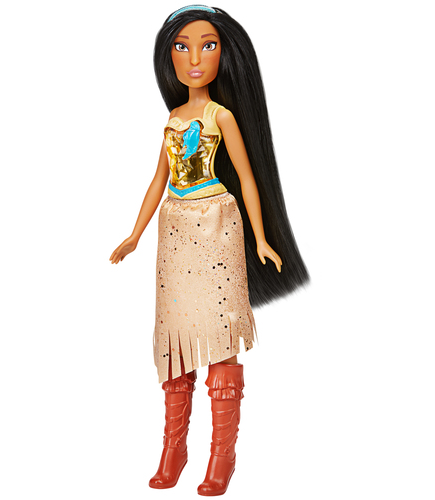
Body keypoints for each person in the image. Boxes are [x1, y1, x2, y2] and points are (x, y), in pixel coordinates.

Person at [109, 5, 309, 496]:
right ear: (169, 57)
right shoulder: (174, 117)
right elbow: (159, 179)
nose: (195, 58)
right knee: (175, 339)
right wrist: (135, 234)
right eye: (182, 47)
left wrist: (260, 237)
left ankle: (222, 456)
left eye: (208, 45)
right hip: (175, 231)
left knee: (221, 334)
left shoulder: (222, 116)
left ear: (225, 54)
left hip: (217, 225)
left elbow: (247, 176)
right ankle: (173, 449)